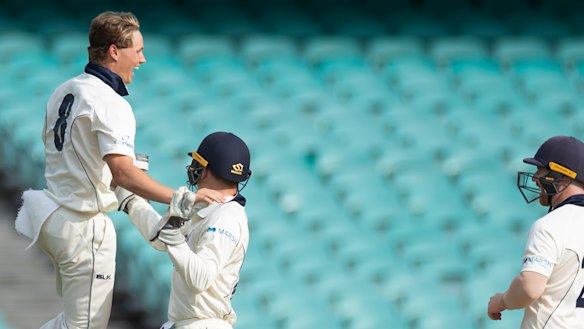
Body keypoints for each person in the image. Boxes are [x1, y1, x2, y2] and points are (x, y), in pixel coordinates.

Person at [14, 11, 223, 329]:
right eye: (137, 50)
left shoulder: (63, 90)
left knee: (71, 323)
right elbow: (122, 174)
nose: (142, 59)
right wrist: (177, 198)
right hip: (83, 225)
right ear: (114, 51)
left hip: (52, 215)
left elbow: (88, 161)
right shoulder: (111, 103)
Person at [114, 131, 252, 329]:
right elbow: (162, 239)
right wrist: (133, 201)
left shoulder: (226, 218)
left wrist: (174, 238)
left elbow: (200, 278)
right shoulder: (209, 207)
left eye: (198, 163)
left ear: (206, 169)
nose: (193, 168)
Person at [488, 135, 584, 328]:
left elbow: (529, 288)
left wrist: (502, 300)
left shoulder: (551, 225)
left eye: (541, 170)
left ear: (562, 176)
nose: (534, 178)